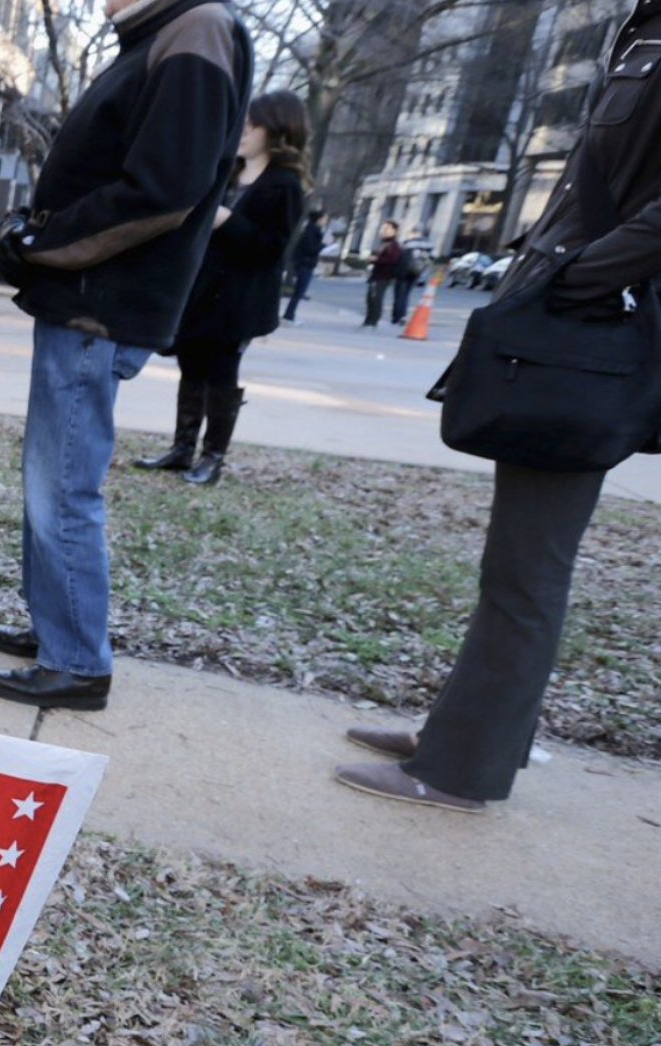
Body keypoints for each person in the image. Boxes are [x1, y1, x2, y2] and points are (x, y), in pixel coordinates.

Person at [337, 0, 661, 814]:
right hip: (573, 327)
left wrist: (572, 280)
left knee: (528, 567)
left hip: (591, 337)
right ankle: (471, 734)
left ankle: (460, 768)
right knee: (518, 563)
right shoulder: (644, 29)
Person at [0, 0, 249, 710]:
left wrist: (45, 241)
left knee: (65, 487)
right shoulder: (162, 35)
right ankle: (55, 631)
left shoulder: (196, 29)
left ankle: (76, 661)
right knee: (50, 481)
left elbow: (163, 189)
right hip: (83, 300)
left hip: (99, 306)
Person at [134, 90, 309, 485]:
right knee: (190, 366)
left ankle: (213, 458)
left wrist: (226, 219)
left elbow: (271, 248)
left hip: (239, 300)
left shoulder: (284, 184)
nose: (244, 129)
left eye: (254, 123)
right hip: (201, 291)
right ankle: (182, 449)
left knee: (222, 373)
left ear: (278, 129)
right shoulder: (228, 172)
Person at [283, 207, 326, 323]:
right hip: (305, 264)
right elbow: (310, 249)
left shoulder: (310, 230)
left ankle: (289, 314)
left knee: (299, 291)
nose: (325, 221)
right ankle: (289, 315)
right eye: (324, 219)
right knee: (299, 291)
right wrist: (324, 245)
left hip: (304, 263)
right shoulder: (312, 231)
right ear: (319, 219)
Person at [363, 219, 407, 327]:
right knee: (371, 298)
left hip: (384, 275)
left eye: (386, 229)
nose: (383, 231)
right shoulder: (385, 243)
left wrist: (375, 259)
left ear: (394, 231)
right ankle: (369, 320)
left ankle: (372, 321)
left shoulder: (393, 245)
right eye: (382, 228)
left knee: (376, 298)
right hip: (378, 274)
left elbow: (392, 260)